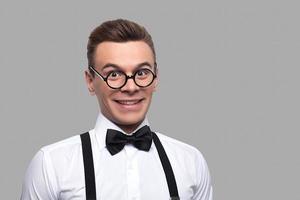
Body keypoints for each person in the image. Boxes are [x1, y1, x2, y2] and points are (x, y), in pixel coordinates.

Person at [21, 19, 213, 200]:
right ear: (90, 81)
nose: (130, 87)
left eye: (142, 73)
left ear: (156, 78)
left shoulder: (191, 162)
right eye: (113, 74)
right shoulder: (51, 164)